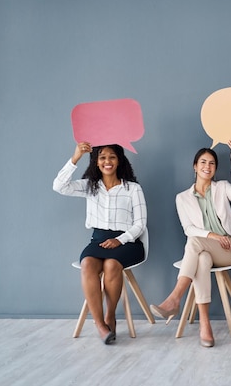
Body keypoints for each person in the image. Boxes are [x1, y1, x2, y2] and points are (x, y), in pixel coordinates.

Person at [150, 140, 231, 348]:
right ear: (195, 166)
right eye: (203, 162)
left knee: (194, 244)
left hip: (229, 249)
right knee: (201, 258)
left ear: (215, 168)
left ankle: (175, 298)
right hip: (207, 248)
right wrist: (212, 236)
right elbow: (188, 228)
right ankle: (205, 325)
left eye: (212, 164)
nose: (207, 167)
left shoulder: (222, 188)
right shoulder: (182, 198)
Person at [53, 142, 147, 345]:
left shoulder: (133, 189)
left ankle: (110, 316)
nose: (107, 161)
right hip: (98, 240)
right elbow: (59, 186)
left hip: (128, 242)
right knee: (87, 264)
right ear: (96, 162)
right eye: (102, 157)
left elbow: (140, 224)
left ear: (119, 160)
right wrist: (75, 157)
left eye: (112, 157)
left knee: (112, 264)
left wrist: (119, 240)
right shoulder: (90, 186)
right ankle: (99, 324)